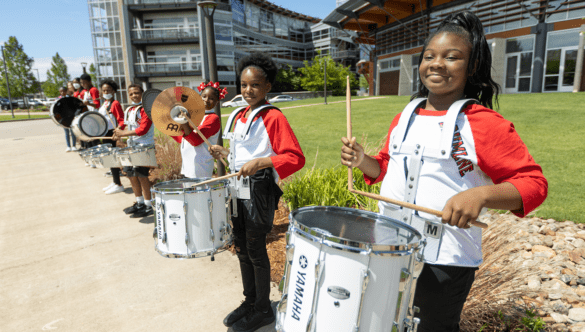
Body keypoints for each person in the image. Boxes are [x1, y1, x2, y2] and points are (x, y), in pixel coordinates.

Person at [341, 11, 548, 332]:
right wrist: (361, 160)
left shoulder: (485, 123)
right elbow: (385, 167)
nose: (437, 64)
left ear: (472, 66)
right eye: (429, 56)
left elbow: (534, 185)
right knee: (384, 321)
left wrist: (480, 195)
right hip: (389, 245)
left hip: (446, 259)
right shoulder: (405, 115)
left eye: (452, 57)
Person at [209, 52, 305, 332]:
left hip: (260, 189)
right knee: (240, 246)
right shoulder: (239, 115)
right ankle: (249, 301)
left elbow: (295, 157)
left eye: (255, 85)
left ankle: (263, 310)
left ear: (267, 88)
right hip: (238, 186)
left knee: (255, 248)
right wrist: (224, 153)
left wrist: (262, 162)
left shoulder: (273, 116)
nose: (248, 90)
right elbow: (243, 156)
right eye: (244, 85)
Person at [113, 84, 154, 218]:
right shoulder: (129, 109)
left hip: (144, 146)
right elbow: (124, 123)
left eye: (137, 93)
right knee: (131, 175)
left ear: (142, 94)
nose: (134, 96)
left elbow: (143, 130)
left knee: (142, 176)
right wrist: (117, 131)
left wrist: (123, 133)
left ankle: (149, 204)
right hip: (131, 146)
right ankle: (139, 202)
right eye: (131, 94)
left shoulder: (146, 109)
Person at [171, 81, 226, 179]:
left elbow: (196, 141)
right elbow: (182, 139)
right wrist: (167, 125)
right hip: (187, 167)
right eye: (204, 96)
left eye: (211, 98)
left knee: (198, 194)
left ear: (217, 102)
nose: (206, 100)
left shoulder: (213, 118)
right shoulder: (193, 116)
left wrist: (184, 122)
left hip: (200, 169)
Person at [98, 79, 125, 195]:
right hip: (104, 133)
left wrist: (117, 132)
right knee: (109, 158)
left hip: (111, 134)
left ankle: (118, 184)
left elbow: (122, 121)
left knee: (113, 158)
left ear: (114, 91)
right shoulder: (104, 103)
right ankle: (115, 182)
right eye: (104, 90)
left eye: (108, 90)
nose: (105, 92)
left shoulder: (115, 104)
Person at [59, 86, 77, 152]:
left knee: (73, 132)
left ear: (66, 91)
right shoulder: (58, 99)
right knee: (66, 132)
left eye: (63, 91)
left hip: (71, 117)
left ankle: (74, 146)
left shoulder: (70, 98)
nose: (62, 92)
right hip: (64, 118)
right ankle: (68, 146)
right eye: (61, 91)